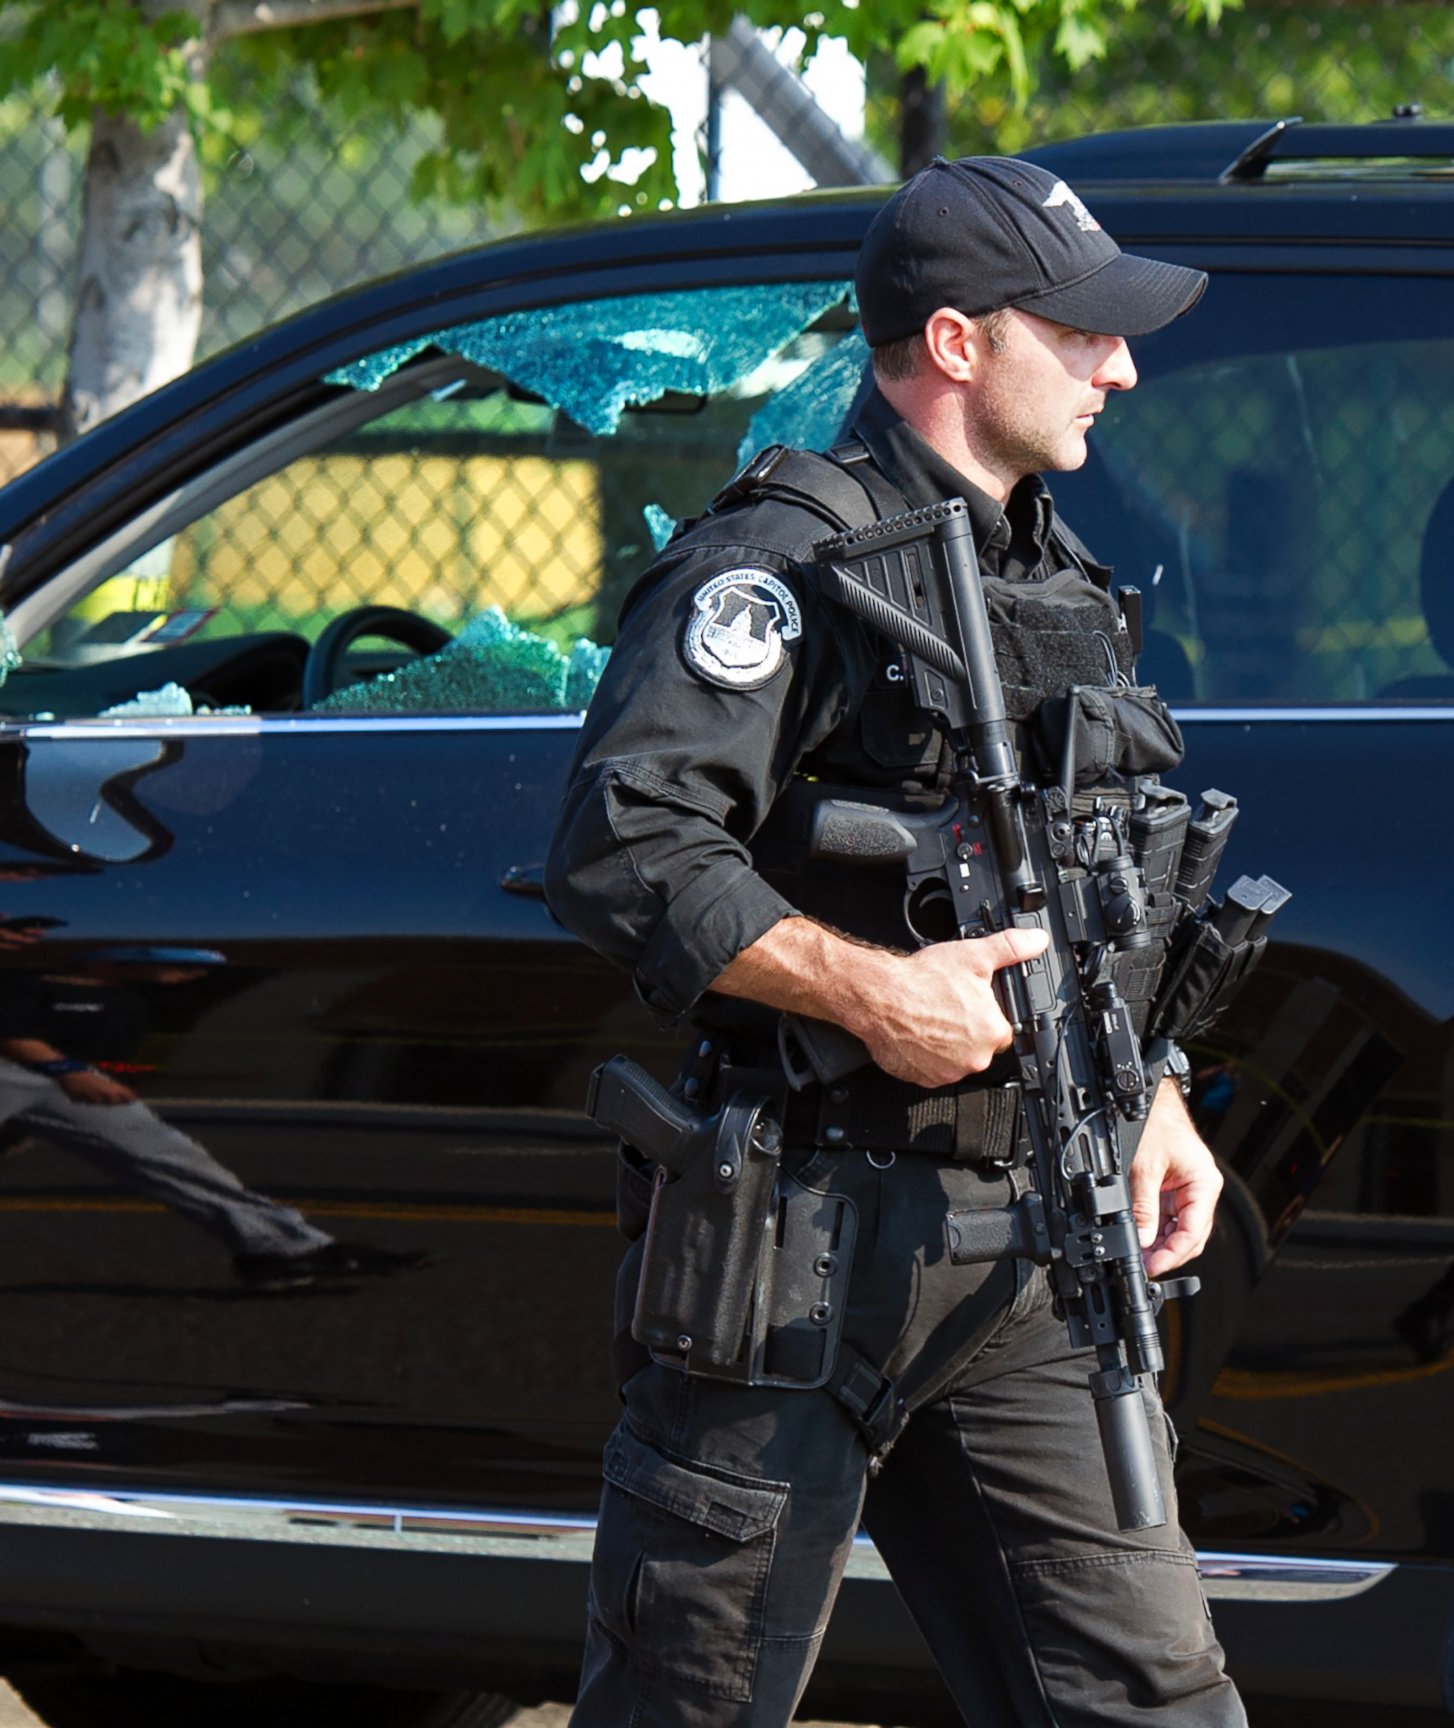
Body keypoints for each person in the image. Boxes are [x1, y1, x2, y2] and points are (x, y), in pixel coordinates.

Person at [546, 156, 1246, 1726]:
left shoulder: (1048, 577)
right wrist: (870, 990)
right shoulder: (781, 562)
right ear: (954, 344)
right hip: (797, 1238)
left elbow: (1087, 876)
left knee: (1152, 1700)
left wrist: (1156, 1089)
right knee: (691, 1701)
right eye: (1080, 334)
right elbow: (623, 840)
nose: (1120, 368)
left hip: (1025, 1244)